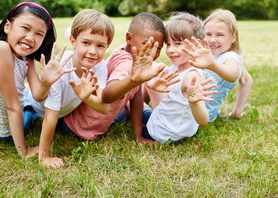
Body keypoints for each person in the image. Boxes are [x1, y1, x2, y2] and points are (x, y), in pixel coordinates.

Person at [0, 1, 75, 157]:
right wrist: (23, 151)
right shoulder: (0, 48)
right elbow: (12, 106)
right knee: (26, 106)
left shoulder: (27, 59)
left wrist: (45, 83)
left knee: (29, 103)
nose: (31, 38)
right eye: (25, 28)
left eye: (39, 34)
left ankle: (23, 92)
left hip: (14, 117)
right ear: (7, 26)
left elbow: (38, 95)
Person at [62, 13, 168, 146]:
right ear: (129, 38)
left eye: (158, 48)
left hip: (80, 121)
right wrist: (134, 80)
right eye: (146, 44)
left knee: (129, 110)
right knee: (147, 118)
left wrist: (138, 136)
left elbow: (136, 94)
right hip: (82, 128)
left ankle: (137, 111)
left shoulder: (122, 50)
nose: (153, 52)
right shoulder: (127, 65)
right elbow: (107, 95)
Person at [28, 9, 114, 168]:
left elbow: (104, 108)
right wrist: (44, 157)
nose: (92, 52)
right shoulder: (61, 68)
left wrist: (86, 97)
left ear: (107, 45)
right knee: (27, 120)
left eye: (100, 45)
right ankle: (29, 88)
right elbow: (50, 116)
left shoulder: (100, 67)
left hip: (64, 111)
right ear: (73, 41)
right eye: (86, 43)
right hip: (37, 105)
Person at [142, 12, 217, 144]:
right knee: (155, 70)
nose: (170, 50)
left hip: (158, 132)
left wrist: (194, 103)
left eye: (177, 43)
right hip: (176, 129)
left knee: (128, 100)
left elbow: (203, 120)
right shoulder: (180, 67)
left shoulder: (191, 77)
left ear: (196, 44)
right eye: (168, 44)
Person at [182, 9, 253, 121]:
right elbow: (247, 80)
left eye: (220, 35)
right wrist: (237, 112)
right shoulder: (209, 53)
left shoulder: (231, 57)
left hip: (200, 114)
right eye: (208, 34)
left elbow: (233, 73)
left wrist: (213, 65)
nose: (212, 40)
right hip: (190, 103)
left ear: (234, 37)